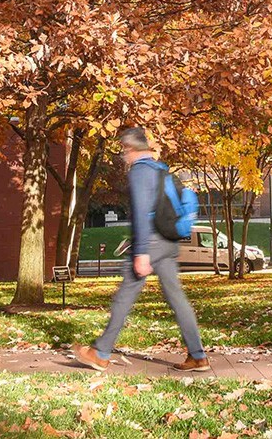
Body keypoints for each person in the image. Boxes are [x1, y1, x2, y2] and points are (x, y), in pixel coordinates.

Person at [72, 127, 209, 373]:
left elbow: (142, 212)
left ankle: (100, 353)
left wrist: (142, 252)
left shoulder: (140, 172)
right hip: (169, 242)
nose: (123, 155)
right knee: (177, 298)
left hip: (151, 243)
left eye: (124, 150)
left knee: (125, 295)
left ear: (131, 148)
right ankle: (198, 355)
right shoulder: (160, 168)